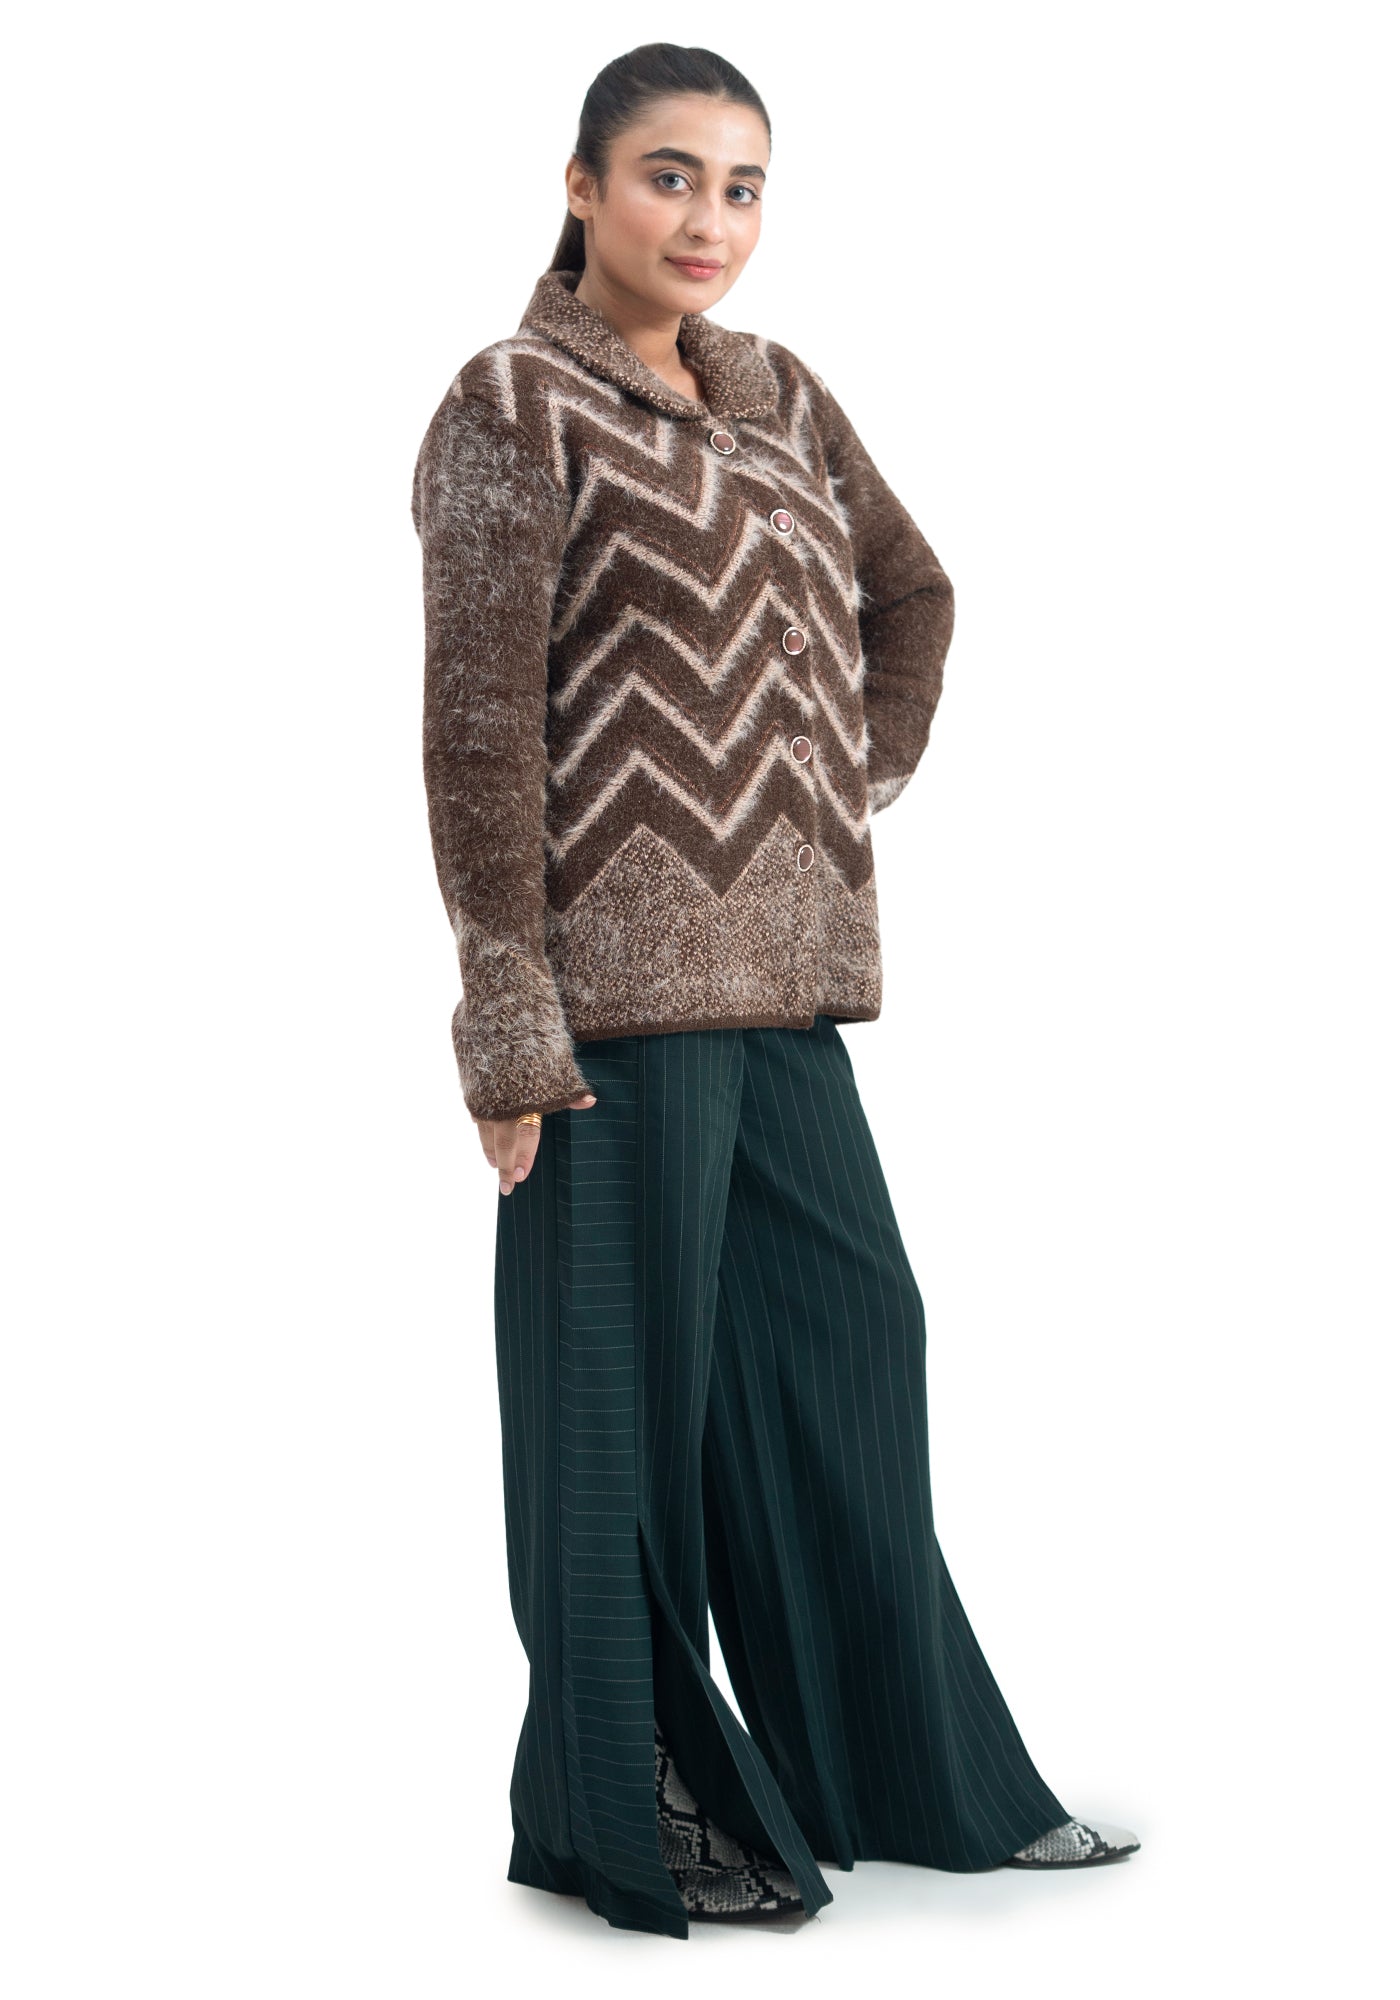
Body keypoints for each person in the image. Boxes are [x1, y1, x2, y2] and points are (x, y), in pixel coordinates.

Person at [410, 40, 1139, 1940]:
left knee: (853, 1347)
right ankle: (633, 1815)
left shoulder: (780, 393)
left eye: (742, 187)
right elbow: (477, 736)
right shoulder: (509, 405)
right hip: (609, 1003)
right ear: (582, 187)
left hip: (787, 982)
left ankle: (903, 1776)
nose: (708, 220)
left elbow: (918, 592)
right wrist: (504, 1013)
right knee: (617, 1410)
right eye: (669, 176)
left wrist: (846, 775)